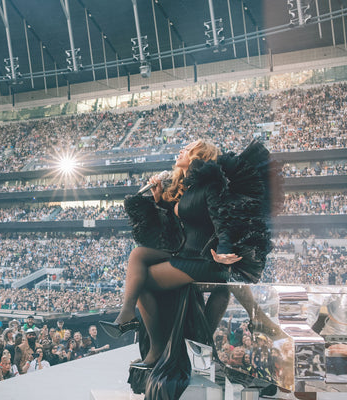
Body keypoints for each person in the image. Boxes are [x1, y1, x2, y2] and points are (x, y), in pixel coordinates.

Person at [100, 140, 242, 367]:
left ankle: (156, 349)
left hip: (204, 261)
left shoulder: (211, 184)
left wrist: (225, 250)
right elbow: (187, 217)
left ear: (199, 156)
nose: (181, 150)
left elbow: (222, 219)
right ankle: (127, 314)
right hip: (186, 254)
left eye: (187, 149)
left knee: (143, 282)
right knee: (138, 255)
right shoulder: (188, 186)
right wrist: (159, 200)